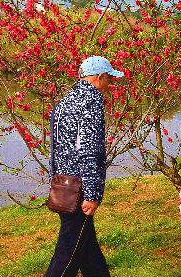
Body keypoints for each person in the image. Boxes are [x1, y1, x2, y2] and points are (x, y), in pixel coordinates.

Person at [43, 55, 121, 277]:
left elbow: (56, 148)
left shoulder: (65, 101)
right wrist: (92, 193)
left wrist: (56, 181)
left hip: (64, 186)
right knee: (67, 256)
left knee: (90, 254)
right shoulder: (91, 101)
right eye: (109, 79)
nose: (110, 84)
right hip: (79, 190)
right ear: (99, 77)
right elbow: (88, 149)